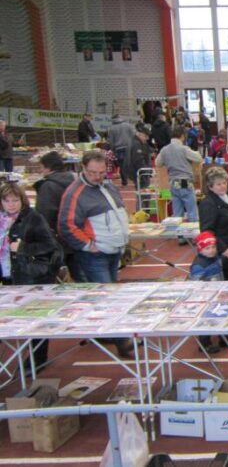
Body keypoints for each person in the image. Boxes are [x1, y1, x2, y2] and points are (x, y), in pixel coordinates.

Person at [58, 151, 132, 357]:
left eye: (101, 172)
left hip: (113, 250)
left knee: (110, 294)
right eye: (92, 172)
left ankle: (111, 333)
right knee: (107, 297)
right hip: (95, 254)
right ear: (83, 168)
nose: (97, 176)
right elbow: (66, 225)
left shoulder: (108, 185)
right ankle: (122, 341)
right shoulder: (75, 193)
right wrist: (87, 245)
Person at [1, 183, 63, 370]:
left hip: (31, 276)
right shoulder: (3, 219)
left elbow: (50, 246)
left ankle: (36, 358)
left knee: (35, 320)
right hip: (7, 275)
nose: (11, 204)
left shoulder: (33, 218)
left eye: (15, 200)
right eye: (6, 200)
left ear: (22, 200)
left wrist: (22, 248)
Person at [34, 151, 83, 282]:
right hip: (78, 234)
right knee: (81, 274)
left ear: (47, 168)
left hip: (59, 237)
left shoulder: (48, 186)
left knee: (58, 275)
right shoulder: (75, 180)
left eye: (41, 167)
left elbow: (44, 215)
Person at [156, 126, 203, 235]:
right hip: (185, 181)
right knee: (192, 211)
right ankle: (194, 235)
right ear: (182, 136)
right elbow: (198, 158)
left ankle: (180, 236)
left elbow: (158, 163)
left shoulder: (164, 149)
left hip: (172, 182)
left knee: (177, 213)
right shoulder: (183, 149)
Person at [199, 166, 228, 281]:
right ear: (210, 187)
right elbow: (207, 230)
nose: (223, 186)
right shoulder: (208, 204)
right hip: (219, 250)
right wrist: (222, 249)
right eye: (218, 184)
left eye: (224, 182)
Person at [123, 123, 154, 193]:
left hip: (139, 172)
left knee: (142, 194)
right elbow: (138, 160)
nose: (147, 138)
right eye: (145, 136)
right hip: (141, 173)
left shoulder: (135, 142)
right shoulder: (137, 144)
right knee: (144, 194)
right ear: (140, 134)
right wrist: (146, 171)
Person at [107, 115, 135, 186]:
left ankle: (124, 181)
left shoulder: (111, 128)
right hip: (129, 147)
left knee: (122, 165)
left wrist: (113, 149)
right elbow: (134, 135)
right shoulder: (128, 125)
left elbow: (111, 141)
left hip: (118, 148)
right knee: (130, 163)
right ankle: (133, 178)